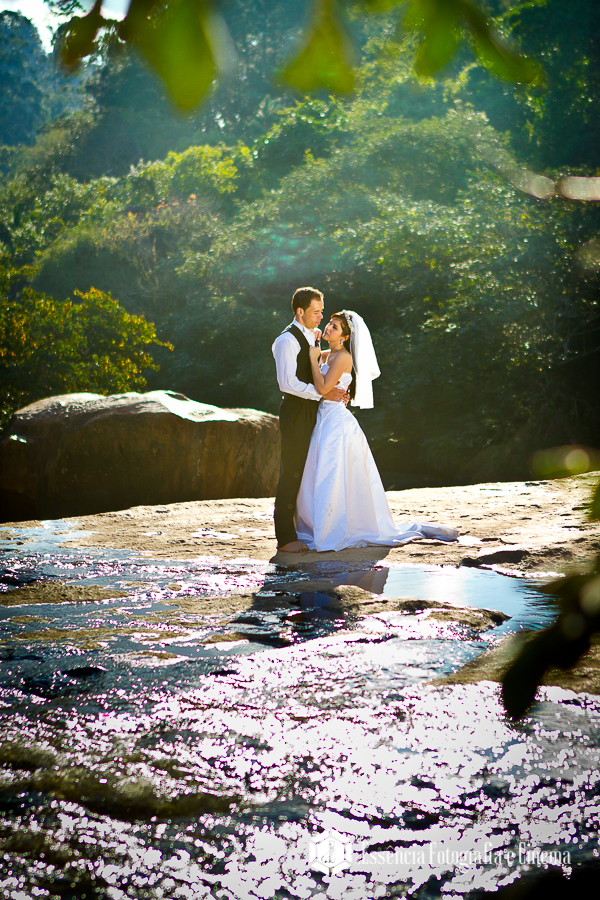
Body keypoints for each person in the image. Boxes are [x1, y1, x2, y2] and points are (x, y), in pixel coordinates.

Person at [295, 309, 459, 552]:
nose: (329, 327)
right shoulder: (327, 354)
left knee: (332, 472)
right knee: (319, 472)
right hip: (323, 418)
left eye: (335, 327)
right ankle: (316, 523)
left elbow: (321, 387)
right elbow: (316, 383)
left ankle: (334, 527)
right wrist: (316, 352)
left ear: (345, 337)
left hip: (336, 424)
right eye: (330, 323)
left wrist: (312, 358)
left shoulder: (342, 358)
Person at [272, 287, 347, 552]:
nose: (320, 317)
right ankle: (285, 538)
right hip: (296, 411)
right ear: (300, 311)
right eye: (316, 312)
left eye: (322, 312)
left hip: (312, 411)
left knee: (306, 472)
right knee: (291, 471)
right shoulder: (286, 341)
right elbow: (287, 383)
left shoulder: (311, 335)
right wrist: (323, 392)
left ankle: (305, 528)